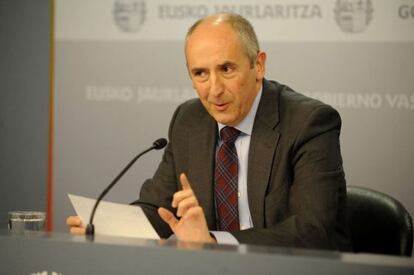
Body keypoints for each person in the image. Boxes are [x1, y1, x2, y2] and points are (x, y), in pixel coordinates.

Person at [67, 12, 351, 250]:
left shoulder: (308, 122)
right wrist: (105, 225)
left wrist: (214, 241)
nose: (214, 90)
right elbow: (158, 208)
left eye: (226, 69)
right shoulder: (189, 120)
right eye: (200, 73)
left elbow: (312, 231)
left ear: (259, 65)